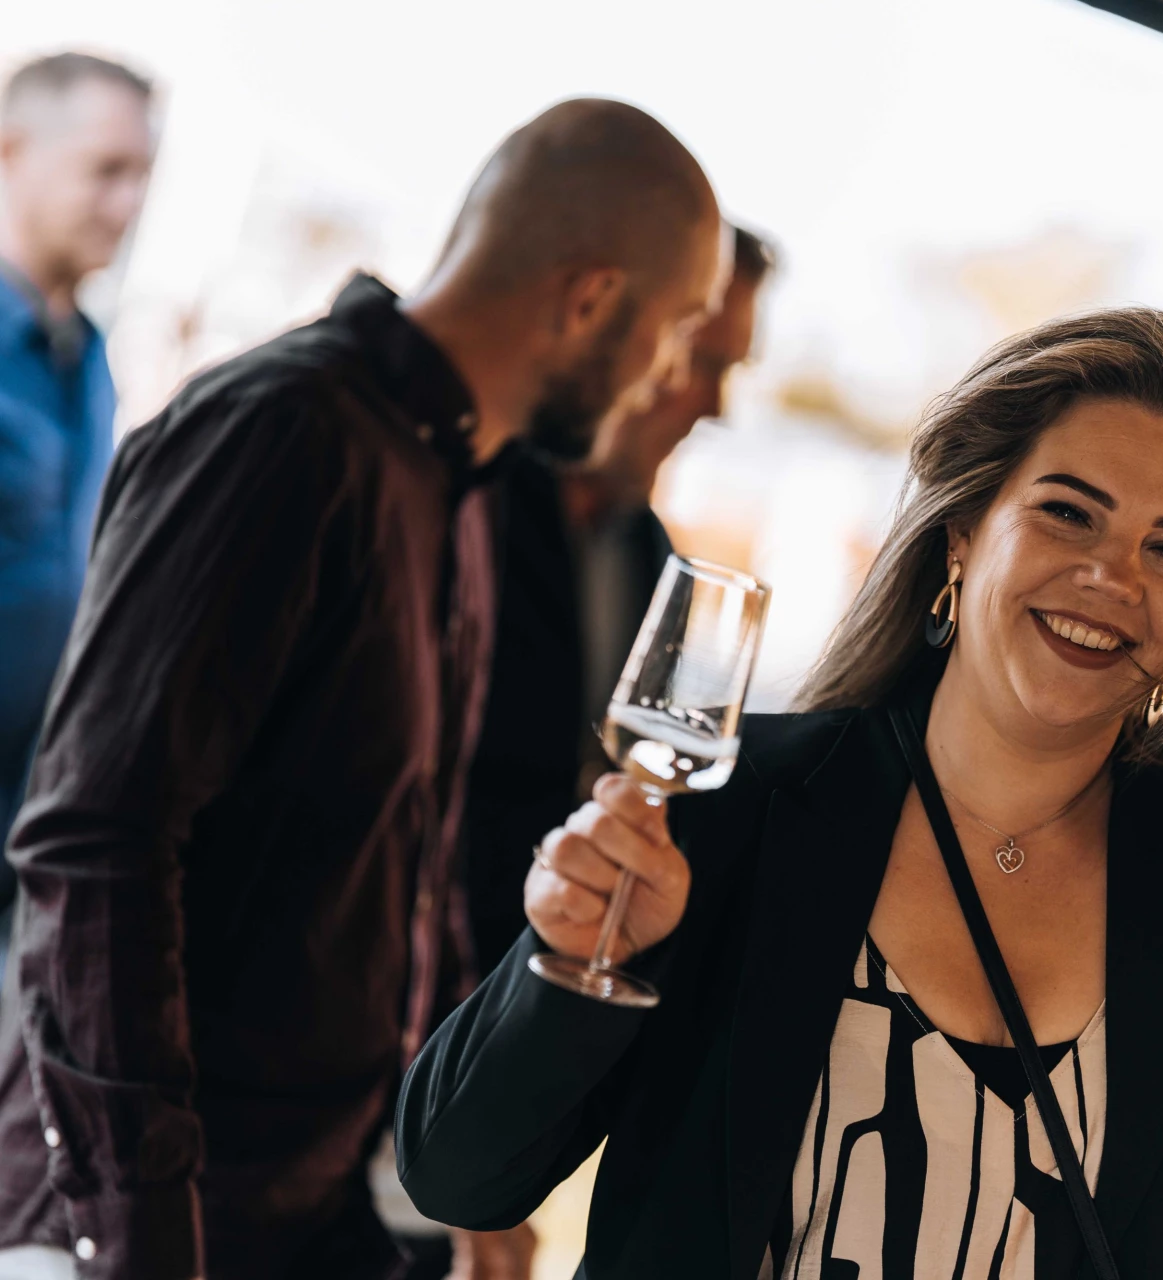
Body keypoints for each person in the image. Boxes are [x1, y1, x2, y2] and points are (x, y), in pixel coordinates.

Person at [397, 308, 1163, 1278]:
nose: (1110, 574)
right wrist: (565, 961)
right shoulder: (737, 806)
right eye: (1066, 510)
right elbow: (456, 1175)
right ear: (960, 535)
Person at [0, 98, 722, 1280]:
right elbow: (96, 844)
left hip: (312, 1209)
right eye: (674, 328)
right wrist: (143, 1241)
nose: (663, 374)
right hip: (151, 1224)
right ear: (592, 298)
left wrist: (449, 1165)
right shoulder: (282, 431)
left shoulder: (463, 486)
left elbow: (411, 866)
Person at [463, 224, 774, 979]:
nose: (714, 404)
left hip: (528, 1000)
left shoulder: (652, 558)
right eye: (698, 359)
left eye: (729, 369)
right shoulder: (469, 506)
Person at [0, 53, 153, 963]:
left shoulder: (90, 358)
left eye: (142, 177)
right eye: (108, 170)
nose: (129, 204)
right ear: (12, 150)